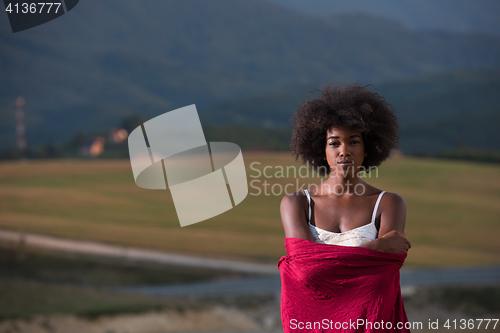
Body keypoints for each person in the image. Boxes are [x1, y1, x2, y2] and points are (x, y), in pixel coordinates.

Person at [278, 82, 411, 332]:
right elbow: (306, 274)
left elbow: (382, 278)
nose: (344, 151)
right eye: (334, 143)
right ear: (321, 148)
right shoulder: (296, 204)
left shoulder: (389, 204)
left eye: (353, 141)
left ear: (368, 147)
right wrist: (376, 247)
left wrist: (331, 265)